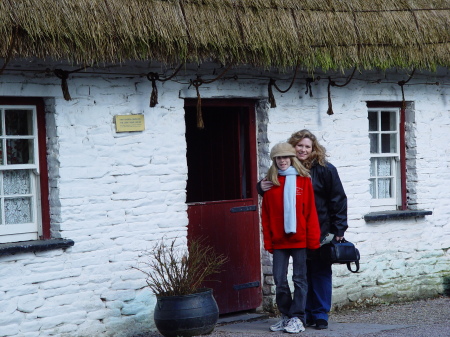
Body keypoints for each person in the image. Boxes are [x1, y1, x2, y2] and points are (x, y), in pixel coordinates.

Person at [258, 130, 348, 330]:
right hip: (294, 232)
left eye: (308, 146)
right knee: (302, 274)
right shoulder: (286, 168)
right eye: (300, 145)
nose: (303, 149)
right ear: (293, 148)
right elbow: (273, 190)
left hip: (321, 229)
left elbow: (338, 199)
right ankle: (302, 314)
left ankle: (320, 313)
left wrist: (339, 228)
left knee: (320, 271)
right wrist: (259, 187)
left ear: (314, 149)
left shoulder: (325, 169)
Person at [261, 142, 321, 334]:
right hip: (279, 241)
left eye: (286, 157)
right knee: (279, 279)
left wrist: (313, 240)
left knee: (299, 279)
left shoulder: (303, 181)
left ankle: (297, 318)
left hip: (300, 239)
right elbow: (266, 216)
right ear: (274, 160)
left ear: (292, 158)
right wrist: (268, 241)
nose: (283, 161)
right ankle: (286, 316)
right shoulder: (270, 183)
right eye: (279, 158)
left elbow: (311, 212)